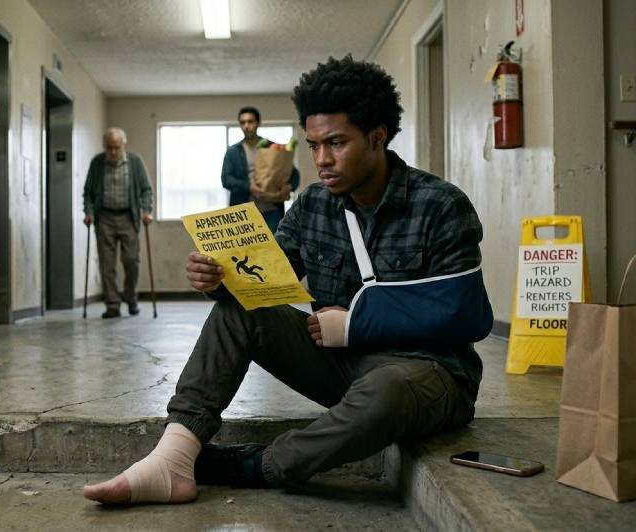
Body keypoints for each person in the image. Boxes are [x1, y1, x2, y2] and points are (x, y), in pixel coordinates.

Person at [83, 56, 492, 504]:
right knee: (239, 312)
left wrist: (355, 324)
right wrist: (218, 279)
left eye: (336, 143)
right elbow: (265, 279)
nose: (322, 160)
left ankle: (253, 466)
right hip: (345, 367)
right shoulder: (313, 204)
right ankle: (176, 454)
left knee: (385, 391)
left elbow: (467, 315)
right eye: (313, 145)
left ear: (377, 137)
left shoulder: (440, 204)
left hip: (429, 374)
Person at [83, 127, 154, 319]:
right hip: (104, 217)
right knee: (107, 264)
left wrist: (146, 211)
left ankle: (131, 298)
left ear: (124, 144)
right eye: (109, 148)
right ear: (104, 146)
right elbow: (88, 191)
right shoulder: (97, 163)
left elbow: (146, 189)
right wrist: (89, 212)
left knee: (131, 261)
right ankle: (112, 304)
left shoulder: (135, 162)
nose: (113, 152)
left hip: (128, 216)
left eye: (116, 147)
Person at [221, 106, 301, 234]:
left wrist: (289, 186)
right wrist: (249, 187)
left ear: (258, 123)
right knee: (246, 247)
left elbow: (294, 174)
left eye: (250, 121)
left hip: (272, 210)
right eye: (243, 122)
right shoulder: (233, 152)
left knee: (274, 245)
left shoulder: (273, 147)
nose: (246, 126)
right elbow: (226, 180)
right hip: (243, 213)